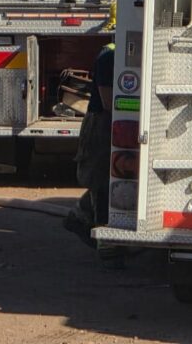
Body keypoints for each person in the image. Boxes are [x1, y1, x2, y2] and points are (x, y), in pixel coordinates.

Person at [64, 38, 115, 246]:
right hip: (101, 123)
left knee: (107, 181)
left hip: (110, 121)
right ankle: (93, 228)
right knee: (100, 180)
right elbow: (109, 101)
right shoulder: (108, 56)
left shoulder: (117, 53)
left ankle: (79, 217)